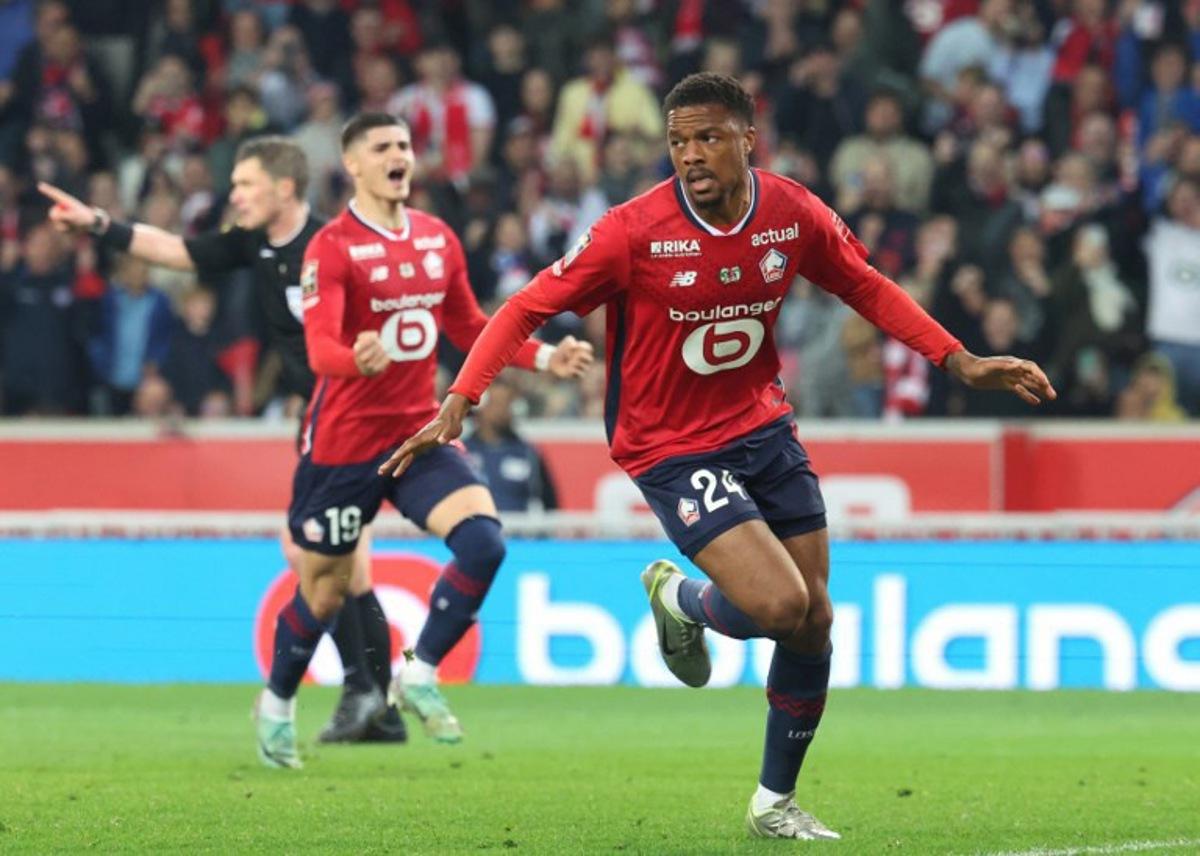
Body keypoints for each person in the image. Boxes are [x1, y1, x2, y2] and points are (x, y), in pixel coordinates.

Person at [382, 73, 1055, 840]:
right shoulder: (632, 232)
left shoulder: (791, 213)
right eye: (679, 142)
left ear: (747, 138)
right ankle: (683, 601)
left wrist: (959, 360)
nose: (692, 155)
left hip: (762, 427)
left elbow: (866, 287)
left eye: (708, 137)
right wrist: (461, 399)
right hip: (668, 443)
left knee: (815, 620)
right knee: (779, 606)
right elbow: (526, 307)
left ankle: (774, 803)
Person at [39, 137, 405, 745]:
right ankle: (376, 706)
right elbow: (176, 250)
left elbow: (396, 314)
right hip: (323, 419)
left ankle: (365, 692)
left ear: (284, 188)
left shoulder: (335, 244)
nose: (233, 195)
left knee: (313, 552)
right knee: (343, 562)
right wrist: (98, 223)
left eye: (245, 184)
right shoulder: (253, 242)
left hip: (357, 417)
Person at [262, 112, 592, 768]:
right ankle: (276, 704)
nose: (399, 156)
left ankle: (419, 671)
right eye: (382, 147)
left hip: (418, 433)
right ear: (353, 164)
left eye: (405, 145)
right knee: (323, 591)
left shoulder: (438, 238)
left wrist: (543, 357)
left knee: (484, 542)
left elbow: (469, 327)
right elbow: (319, 349)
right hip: (343, 446)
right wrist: (356, 359)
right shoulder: (330, 247)